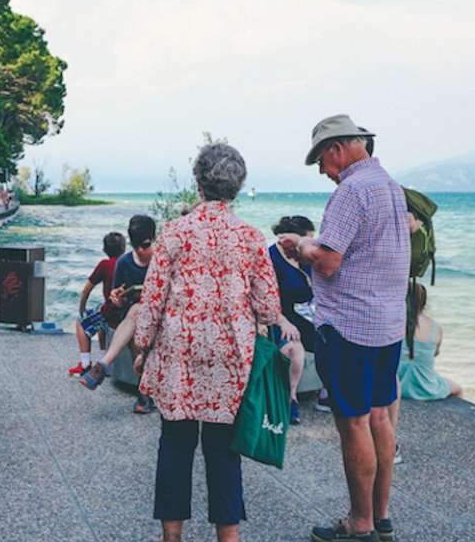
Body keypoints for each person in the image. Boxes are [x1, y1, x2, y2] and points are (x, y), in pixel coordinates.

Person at [134, 142, 292, 542]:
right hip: (231, 359)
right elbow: (269, 307)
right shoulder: (251, 238)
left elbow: (152, 300)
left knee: (175, 444)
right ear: (237, 187)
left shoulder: (174, 232)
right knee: (224, 450)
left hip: (178, 356)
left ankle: (172, 536)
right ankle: (229, 536)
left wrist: (141, 348)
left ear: (198, 183)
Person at [278, 114, 409, 542]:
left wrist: (299, 245)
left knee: (353, 423)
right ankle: (382, 516)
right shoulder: (389, 185)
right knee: (379, 417)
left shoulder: (351, 191)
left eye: (320, 160)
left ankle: (360, 521)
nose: (322, 171)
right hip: (388, 323)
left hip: (350, 326)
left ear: (336, 150)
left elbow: (330, 260)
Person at [79, 215, 159, 414]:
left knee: (137, 310)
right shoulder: (124, 263)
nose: (141, 250)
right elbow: (119, 297)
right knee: (135, 314)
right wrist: (117, 298)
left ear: (154, 238)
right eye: (136, 245)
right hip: (135, 320)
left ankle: (104, 363)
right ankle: (143, 397)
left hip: (160, 315)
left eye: (146, 245)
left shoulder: (162, 260)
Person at [267, 215, 322, 425]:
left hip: (309, 315)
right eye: (306, 240)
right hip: (281, 316)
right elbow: (265, 296)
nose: (310, 245)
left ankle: (328, 394)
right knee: (293, 348)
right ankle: (290, 399)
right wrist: (282, 321)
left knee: (337, 338)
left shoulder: (306, 257)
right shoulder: (272, 257)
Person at [69, 231, 127, 376]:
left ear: (104, 249)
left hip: (110, 312)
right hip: (125, 312)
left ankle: (85, 365)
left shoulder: (105, 265)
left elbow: (86, 290)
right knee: (100, 319)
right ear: (124, 248)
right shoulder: (127, 263)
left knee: (82, 322)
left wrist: (82, 309)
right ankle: (103, 360)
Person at [396, 283, 461, 401]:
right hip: (425, 387)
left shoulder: (395, 322)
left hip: (396, 385)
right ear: (424, 303)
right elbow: (435, 354)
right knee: (458, 389)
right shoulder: (435, 328)